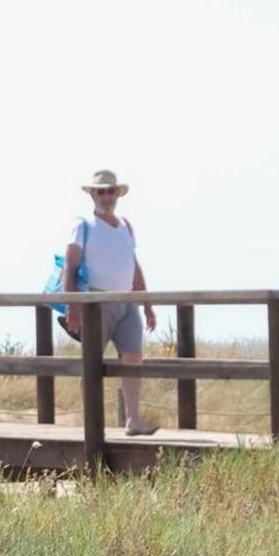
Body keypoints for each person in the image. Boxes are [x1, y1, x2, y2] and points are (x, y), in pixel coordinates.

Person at [63, 169, 158, 437]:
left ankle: (133, 419)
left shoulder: (126, 225)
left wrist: (147, 303)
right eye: (100, 191)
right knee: (91, 362)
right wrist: (73, 308)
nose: (106, 196)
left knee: (133, 356)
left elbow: (133, 265)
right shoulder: (83, 224)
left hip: (127, 301)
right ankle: (91, 421)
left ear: (117, 193)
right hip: (96, 302)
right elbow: (69, 268)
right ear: (92, 194)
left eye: (110, 191)